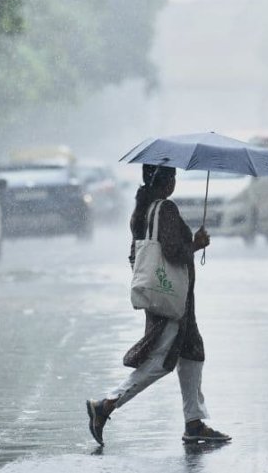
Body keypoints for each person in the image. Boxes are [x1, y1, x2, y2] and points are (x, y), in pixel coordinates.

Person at [85, 164, 230, 446]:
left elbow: (136, 256)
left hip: (167, 295)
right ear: (167, 182)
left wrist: (152, 286)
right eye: (173, 177)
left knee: (192, 353)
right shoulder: (165, 209)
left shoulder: (142, 211)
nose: (174, 182)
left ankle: (194, 422)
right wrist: (196, 243)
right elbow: (174, 253)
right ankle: (106, 404)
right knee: (162, 362)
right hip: (172, 299)